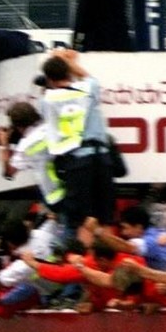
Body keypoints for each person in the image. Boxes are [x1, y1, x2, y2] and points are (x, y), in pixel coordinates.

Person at [39, 49, 116, 238]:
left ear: (49, 79)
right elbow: (89, 78)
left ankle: (83, 259)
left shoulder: (47, 101)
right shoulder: (87, 90)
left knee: (81, 219)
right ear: (68, 73)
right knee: (105, 217)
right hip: (102, 157)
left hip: (77, 162)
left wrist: (58, 62)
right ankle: (107, 259)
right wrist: (70, 61)